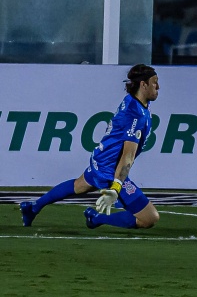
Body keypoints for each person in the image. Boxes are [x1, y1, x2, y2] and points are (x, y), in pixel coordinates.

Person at [20, 64, 161, 230]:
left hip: (102, 158)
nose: (158, 86)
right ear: (143, 85)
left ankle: (34, 207)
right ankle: (96, 218)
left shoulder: (133, 101)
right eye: (154, 82)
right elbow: (127, 157)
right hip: (109, 168)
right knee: (149, 218)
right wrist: (116, 187)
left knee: (79, 185)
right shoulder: (136, 115)